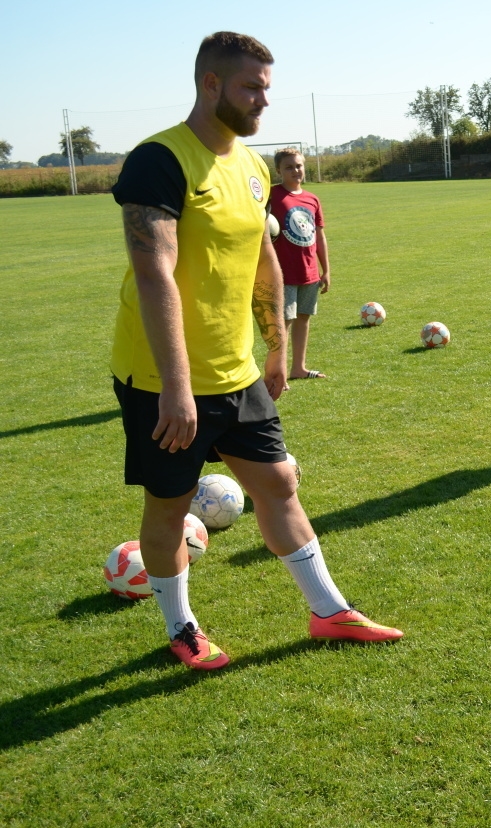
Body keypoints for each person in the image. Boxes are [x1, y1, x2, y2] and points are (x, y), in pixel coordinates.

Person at [110, 31, 401, 671]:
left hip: (236, 370)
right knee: (167, 504)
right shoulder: (158, 161)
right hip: (163, 377)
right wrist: (177, 388)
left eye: (267, 89)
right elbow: (156, 272)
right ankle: (181, 626)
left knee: (278, 482)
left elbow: (263, 255)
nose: (262, 101)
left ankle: (328, 611)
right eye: (250, 88)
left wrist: (274, 348)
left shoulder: (251, 165)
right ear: (210, 84)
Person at [269, 147, 330, 380]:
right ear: (278, 171)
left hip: (309, 272)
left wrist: (326, 270)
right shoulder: (271, 195)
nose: (295, 170)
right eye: (289, 167)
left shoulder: (312, 199)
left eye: (299, 165)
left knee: (303, 318)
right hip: (283, 272)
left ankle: (298, 368)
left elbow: (320, 236)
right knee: (284, 322)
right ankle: (279, 371)